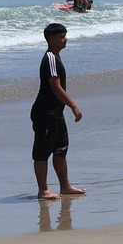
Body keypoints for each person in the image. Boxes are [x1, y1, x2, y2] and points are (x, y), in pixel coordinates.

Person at [30, 22, 85, 199]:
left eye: (65, 35)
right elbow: (55, 86)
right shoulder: (50, 58)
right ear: (51, 39)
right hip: (45, 113)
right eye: (62, 36)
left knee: (61, 149)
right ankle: (43, 190)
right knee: (42, 151)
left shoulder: (56, 57)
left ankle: (65, 186)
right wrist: (73, 106)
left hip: (56, 113)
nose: (65, 39)